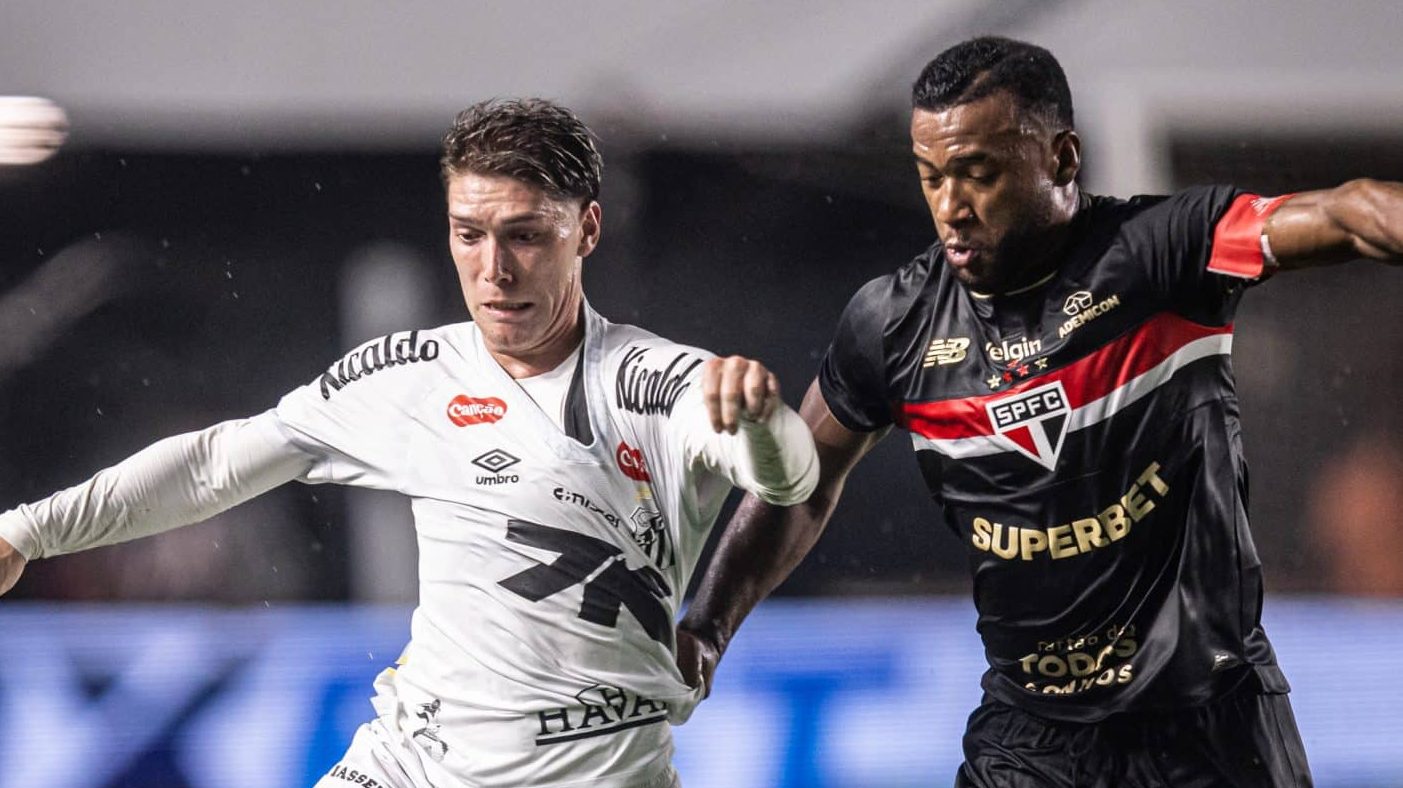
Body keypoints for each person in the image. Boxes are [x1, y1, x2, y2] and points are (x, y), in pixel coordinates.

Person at [0, 98, 820, 788]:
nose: (494, 269)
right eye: (469, 234)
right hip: (410, 765)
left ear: (587, 230)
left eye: (525, 235)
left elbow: (787, 477)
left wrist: (759, 422)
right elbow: (216, 464)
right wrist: (26, 532)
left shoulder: (657, 380)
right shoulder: (409, 373)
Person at [676, 36, 1403, 787]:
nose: (951, 208)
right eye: (931, 177)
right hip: (1032, 743)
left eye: (978, 173)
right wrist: (706, 625)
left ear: (1060, 158)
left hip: (1210, 724)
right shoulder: (891, 323)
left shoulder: (1161, 254)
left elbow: (1346, 215)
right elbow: (801, 483)